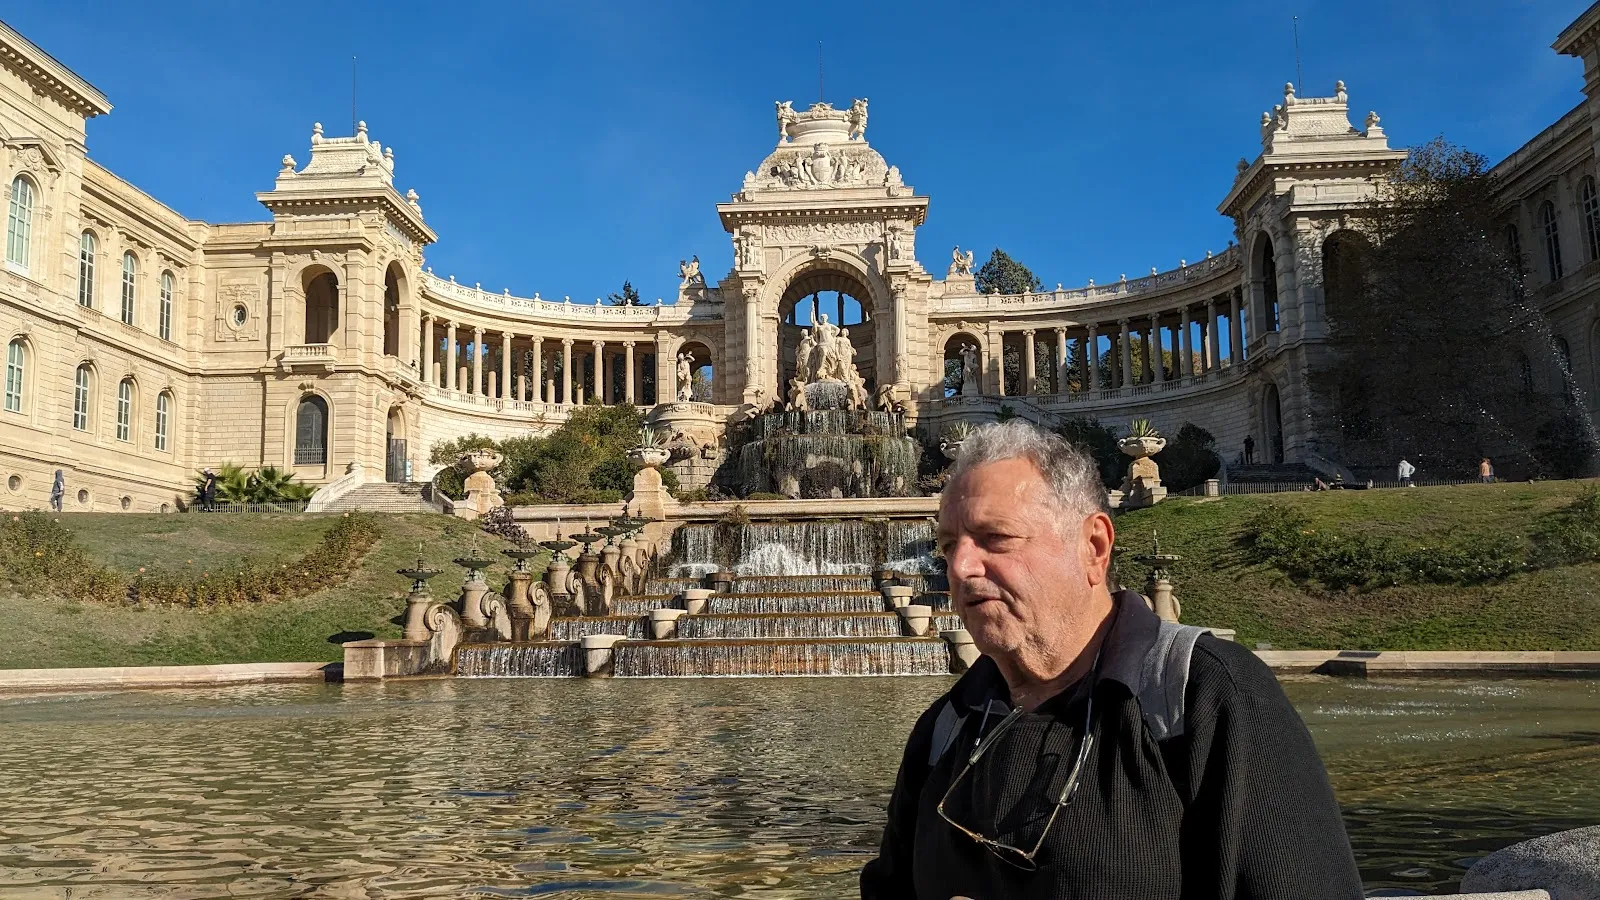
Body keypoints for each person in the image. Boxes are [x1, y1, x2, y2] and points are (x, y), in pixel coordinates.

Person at [860, 420, 1360, 899]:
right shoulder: (944, 727)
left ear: (1093, 547)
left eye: (996, 538)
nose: (961, 567)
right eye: (949, 546)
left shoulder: (1209, 696)